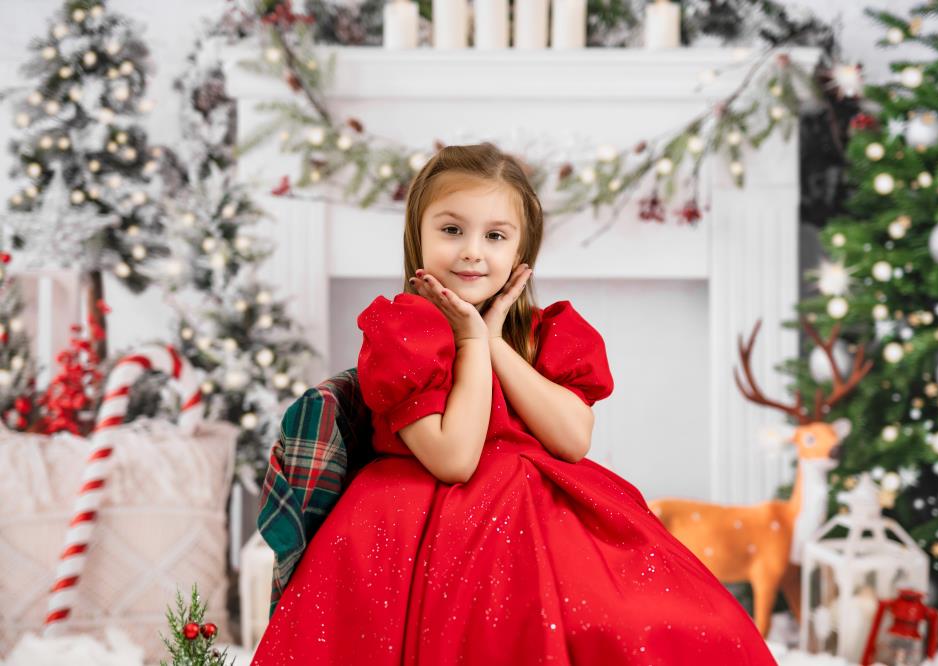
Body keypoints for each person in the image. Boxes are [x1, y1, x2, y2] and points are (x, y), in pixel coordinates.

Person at [251, 143, 776, 665]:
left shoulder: (542, 333)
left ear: (523, 251)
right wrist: (472, 343)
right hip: (425, 528)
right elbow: (454, 459)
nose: (472, 252)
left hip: (540, 516)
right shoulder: (405, 332)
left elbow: (572, 440)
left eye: (495, 236)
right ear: (418, 236)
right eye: (451, 230)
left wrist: (497, 342)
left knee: (671, 622)